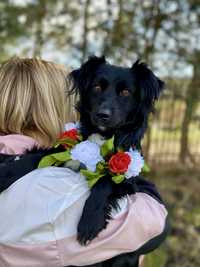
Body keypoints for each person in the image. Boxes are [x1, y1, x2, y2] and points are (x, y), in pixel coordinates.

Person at [0, 57, 169, 267]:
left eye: (124, 93)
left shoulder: (26, 162)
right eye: (97, 88)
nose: (105, 108)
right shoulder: (56, 189)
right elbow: (155, 224)